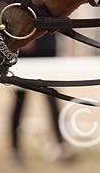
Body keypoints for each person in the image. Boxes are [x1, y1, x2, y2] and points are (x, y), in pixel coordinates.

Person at [7, 31, 75, 164]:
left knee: (53, 101)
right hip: (29, 54)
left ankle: (61, 146)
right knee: (19, 101)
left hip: (48, 51)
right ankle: (15, 149)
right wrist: (24, 40)